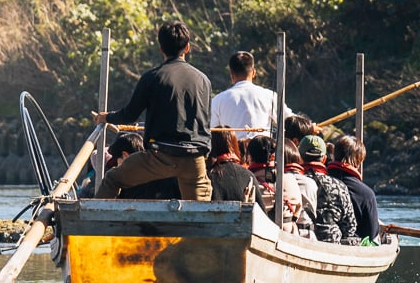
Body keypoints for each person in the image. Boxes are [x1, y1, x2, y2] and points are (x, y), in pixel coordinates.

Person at [92, 20, 213, 201]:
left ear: (161, 49)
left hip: (160, 157)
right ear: (187, 48)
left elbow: (130, 114)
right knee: (201, 211)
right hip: (194, 159)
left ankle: (93, 223)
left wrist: (106, 117)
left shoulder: (152, 77)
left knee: (112, 179)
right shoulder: (203, 80)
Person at [210, 51, 293, 144]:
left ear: (231, 75)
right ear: (253, 73)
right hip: (263, 154)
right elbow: (291, 122)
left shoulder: (218, 100)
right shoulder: (269, 96)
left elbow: (212, 132)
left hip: (233, 156)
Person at [299, 134, 360, 245]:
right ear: (324, 159)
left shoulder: (294, 182)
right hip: (332, 244)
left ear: (300, 157)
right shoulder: (339, 186)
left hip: (300, 242)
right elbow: (350, 227)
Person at [328, 135, 380, 242]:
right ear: (358, 160)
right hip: (351, 246)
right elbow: (371, 234)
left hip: (319, 239)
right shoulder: (366, 194)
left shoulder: (317, 181)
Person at [207, 129, 263, 203]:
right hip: (244, 214)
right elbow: (261, 211)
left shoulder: (208, 176)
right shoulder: (249, 175)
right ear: (234, 144)